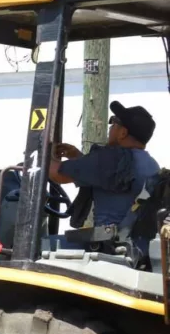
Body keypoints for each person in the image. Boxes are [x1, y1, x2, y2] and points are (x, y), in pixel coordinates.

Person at [49, 101, 160, 242]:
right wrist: (78, 157)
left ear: (123, 133)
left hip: (108, 244)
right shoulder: (150, 163)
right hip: (134, 243)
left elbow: (56, 174)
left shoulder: (112, 159)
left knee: (43, 245)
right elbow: (108, 176)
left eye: (113, 123)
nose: (110, 128)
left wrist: (39, 152)